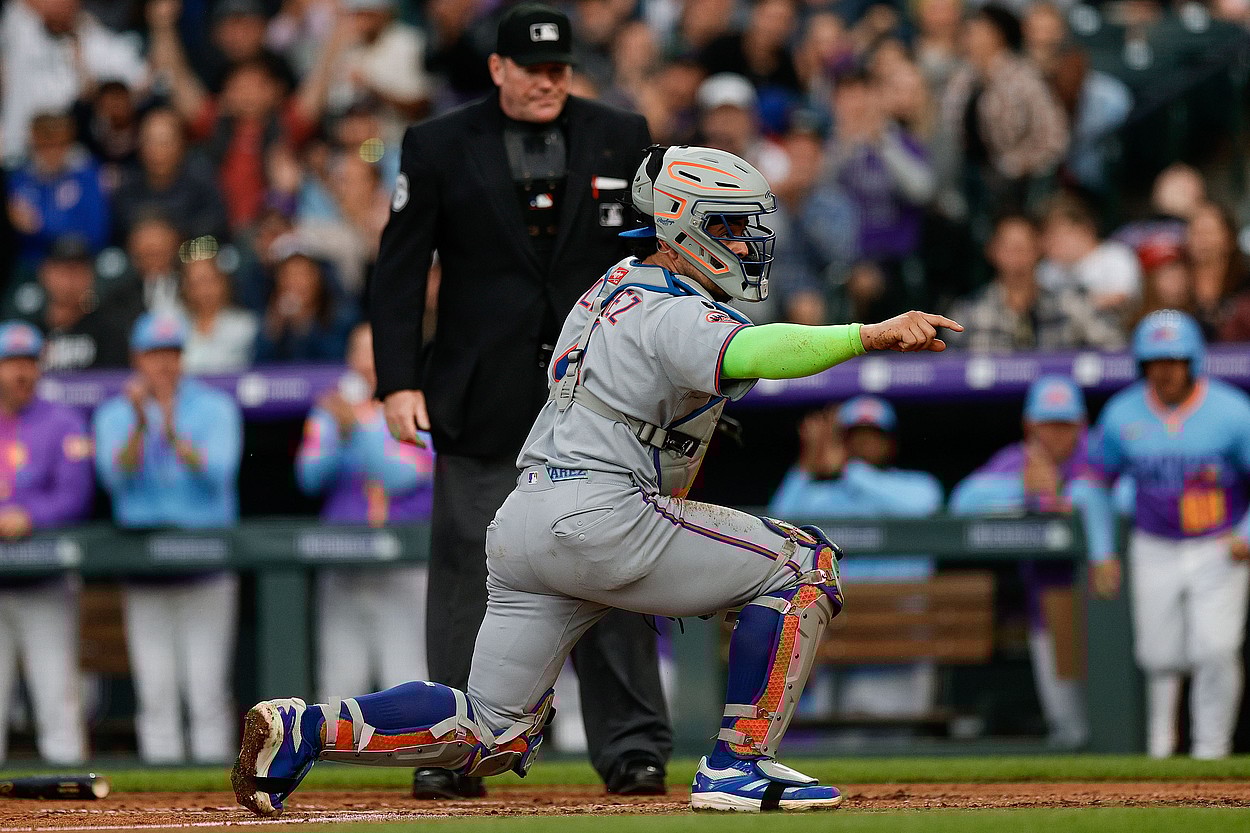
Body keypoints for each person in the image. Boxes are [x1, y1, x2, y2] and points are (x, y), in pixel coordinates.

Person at [230, 143, 962, 818]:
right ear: (683, 225)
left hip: (529, 520)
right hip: (604, 512)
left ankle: (303, 728)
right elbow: (761, 349)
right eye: (733, 226)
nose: (748, 241)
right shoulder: (673, 308)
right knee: (806, 562)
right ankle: (738, 764)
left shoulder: (609, 285)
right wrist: (864, 334)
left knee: (490, 729)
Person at [369, 3, 669, 799]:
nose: (547, 80)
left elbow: (660, 261)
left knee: (615, 566)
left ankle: (634, 746)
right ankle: (454, 745)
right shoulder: (435, 143)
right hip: (480, 393)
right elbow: (399, 269)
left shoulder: (621, 132)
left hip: (601, 396)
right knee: (470, 572)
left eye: (559, 67)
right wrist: (397, 379)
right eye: (532, 67)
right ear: (497, 68)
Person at [1084, 310, 1250, 760]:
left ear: (1193, 360)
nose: (1165, 370)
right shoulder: (1122, 412)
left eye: (1174, 360)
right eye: (1155, 362)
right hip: (1154, 542)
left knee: (1216, 648)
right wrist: (1102, 551)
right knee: (1159, 656)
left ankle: (1210, 752)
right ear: (1142, 366)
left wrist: (1247, 532)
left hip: (1219, 543)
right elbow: (1093, 483)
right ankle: (1161, 752)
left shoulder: (1233, 411)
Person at [92, 311, 244, 763]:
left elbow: (219, 473)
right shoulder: (117, 411)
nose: (164, 364)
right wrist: (141, 425)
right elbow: (113, 479)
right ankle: (164, 798)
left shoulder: (214, 407)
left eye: (172, 353)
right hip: (144, 564)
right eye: (155, 354)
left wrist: (173, 426)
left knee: (206, 687)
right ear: (138, 358)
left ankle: (217, 791)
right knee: (155, 689)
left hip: (206, 562)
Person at [950, 375, 1118, 749]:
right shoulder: (1018, 460)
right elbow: (963, 500)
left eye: (1065, 425)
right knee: (1068, 724)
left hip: (1109, 609)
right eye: (1048, 424)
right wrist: (1026, 491)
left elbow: (1123, 496)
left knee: (1112, 719)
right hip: (1049, 603)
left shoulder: (1099, 453)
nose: (1056, 434)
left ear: (1082, 425)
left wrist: (1058, 493)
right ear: (1030, 425)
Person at [769, 395, 944, 720]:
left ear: (890, 443)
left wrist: (849, 469)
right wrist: (808, 462)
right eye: (854, 436)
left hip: (900, 643)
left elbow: (923, 508)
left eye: (873, 435)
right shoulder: (824, 495)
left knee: (902, 745)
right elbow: (781, 524)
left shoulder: (915, 486)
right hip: (837, 644)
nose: (864, 443)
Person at [297, 323, 431, 701]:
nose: (370, 362)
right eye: (361, 351)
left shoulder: (416, 407)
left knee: (406, 674)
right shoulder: (332, 410)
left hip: (405, 556)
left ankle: (411, 757)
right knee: (340, 680)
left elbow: (402, 477)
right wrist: (340, 433)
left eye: (378, 350)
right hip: (344, 556)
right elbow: (308, 478)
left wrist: (356, 428)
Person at [0, 321, 94, 765]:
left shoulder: (62, 421)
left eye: (28, 362)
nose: (20, 372)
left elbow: (76, 496)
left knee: (56, 698)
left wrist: (30, 516)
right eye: (10, 362)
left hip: (44, 580)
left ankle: (72, 808)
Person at [946, 214, 1125, 352]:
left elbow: (1115, 349)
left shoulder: (1069, 305)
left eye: (1023, 248)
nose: (1016, 258)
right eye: (1009, 249)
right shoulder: (968, 313)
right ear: (992, 252)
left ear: (1038, 249)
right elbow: (947, 375)